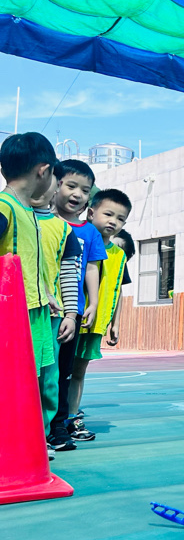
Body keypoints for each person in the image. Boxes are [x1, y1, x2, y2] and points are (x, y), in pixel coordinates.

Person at [0, 132, 60, 449]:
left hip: (35, 309)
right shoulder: (5, 207)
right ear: (43, 170)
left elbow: (28, 261)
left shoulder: (28, 211)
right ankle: (14, 445)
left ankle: (30, 443)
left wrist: (45, 292)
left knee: (35, 380)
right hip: (13, 314)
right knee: (14, 381)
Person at [67, 189, 132, 436]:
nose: (113, 221)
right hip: (71, 318)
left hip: (96, 324)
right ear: (91, 212)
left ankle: (72, 416)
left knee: (79, 371)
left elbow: (118, 289)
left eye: (120, 218)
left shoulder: (119, 255)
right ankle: (52, 419)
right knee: (60, 371)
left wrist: (115, 323)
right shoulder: (77, 238)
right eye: (108, 214)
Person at [50, 159, 106, 443]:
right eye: (72, 186)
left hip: (72, 310)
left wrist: (92, 303)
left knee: (64, 371)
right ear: (54, 183)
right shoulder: (43, 221)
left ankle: (59, 424)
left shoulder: (89, 231)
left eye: (85, 190)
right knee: (42, 371)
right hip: (44, 307)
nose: (78, 194)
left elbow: (93, 268)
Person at [31, 173, 82, 454]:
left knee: (49, 379)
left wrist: (71, 315)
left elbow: (68, 275)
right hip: (18, 311)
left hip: (52, 316)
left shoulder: (63, 230)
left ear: (55, 189)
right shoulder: (15, 216)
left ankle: (44, 434)